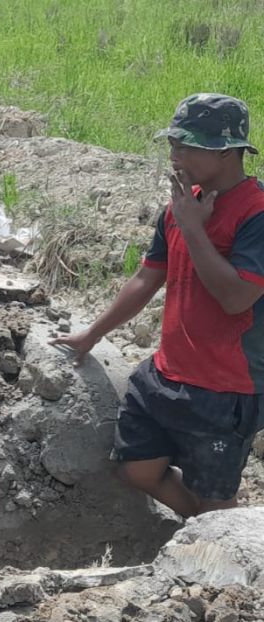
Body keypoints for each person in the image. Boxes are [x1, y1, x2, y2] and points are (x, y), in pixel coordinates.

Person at [52, 93, 264, 518]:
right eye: (173, 144)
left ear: (225, 151)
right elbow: (148, 277)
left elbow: (236, 296)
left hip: (226, 389)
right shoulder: (183, 205)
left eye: (186, 147)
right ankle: (202, 531)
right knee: (136, 469)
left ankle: (222, 557)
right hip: (168, 371)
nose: (174, 156)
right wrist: (91, 335)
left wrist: (193, 228)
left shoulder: (254, 213)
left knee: (217, 503)